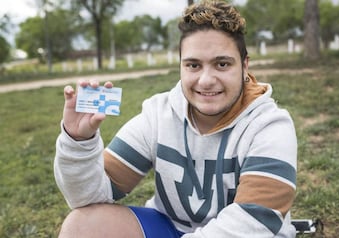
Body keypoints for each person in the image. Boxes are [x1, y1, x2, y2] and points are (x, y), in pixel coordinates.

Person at [54, 1, 297, 237]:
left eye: (222, 64)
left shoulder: (270, 125)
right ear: (180, 66)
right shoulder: (158, 114)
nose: (206, 80)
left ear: (245, 66)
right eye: (193, 65)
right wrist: (78, 142)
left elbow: (253, 222)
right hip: (170, 227)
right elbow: (89, 197)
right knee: (82, 226)